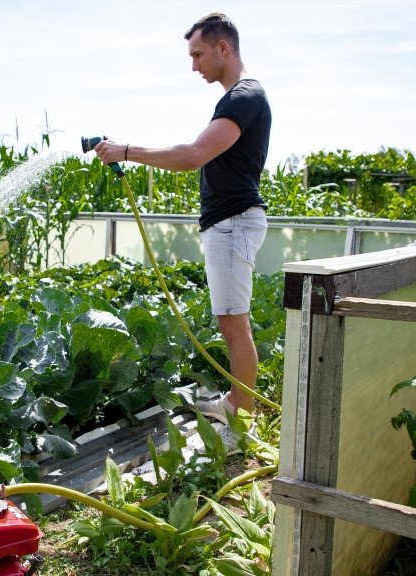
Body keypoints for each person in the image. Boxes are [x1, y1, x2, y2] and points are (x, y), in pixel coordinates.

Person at [94, 12, 271, 434]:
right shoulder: (241, 97)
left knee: (233, 324)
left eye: (198, 55)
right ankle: (236, 403)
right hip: (229, 223)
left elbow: (192, 156)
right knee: (233, 321)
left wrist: (125, 151)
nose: (194, 66)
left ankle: (239, 420)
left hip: (233, 223)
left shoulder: (242, 98)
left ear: (222, 47)